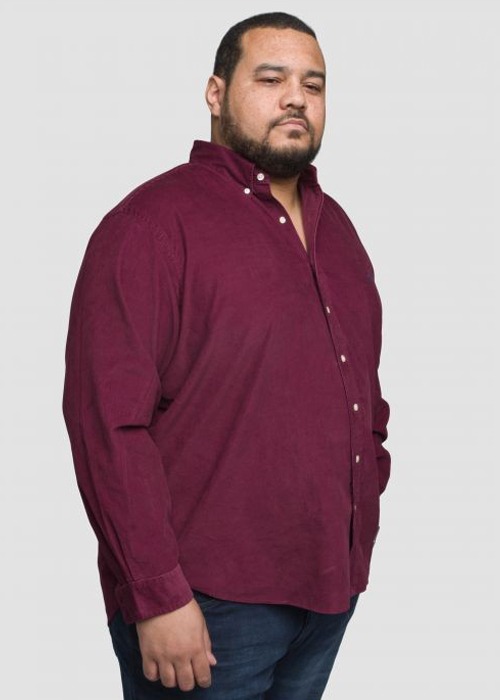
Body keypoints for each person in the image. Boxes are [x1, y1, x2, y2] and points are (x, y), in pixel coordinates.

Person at [62, 11, 391, 699]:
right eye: (270, 79)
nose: (296, 98)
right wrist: (156, 593)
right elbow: (107, 424)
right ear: (215, 93)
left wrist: (363, 500)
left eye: (313, 85)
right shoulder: (149, 226)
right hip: (205, 607)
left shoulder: (339, 231)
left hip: (330, 590)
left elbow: (364, 394)